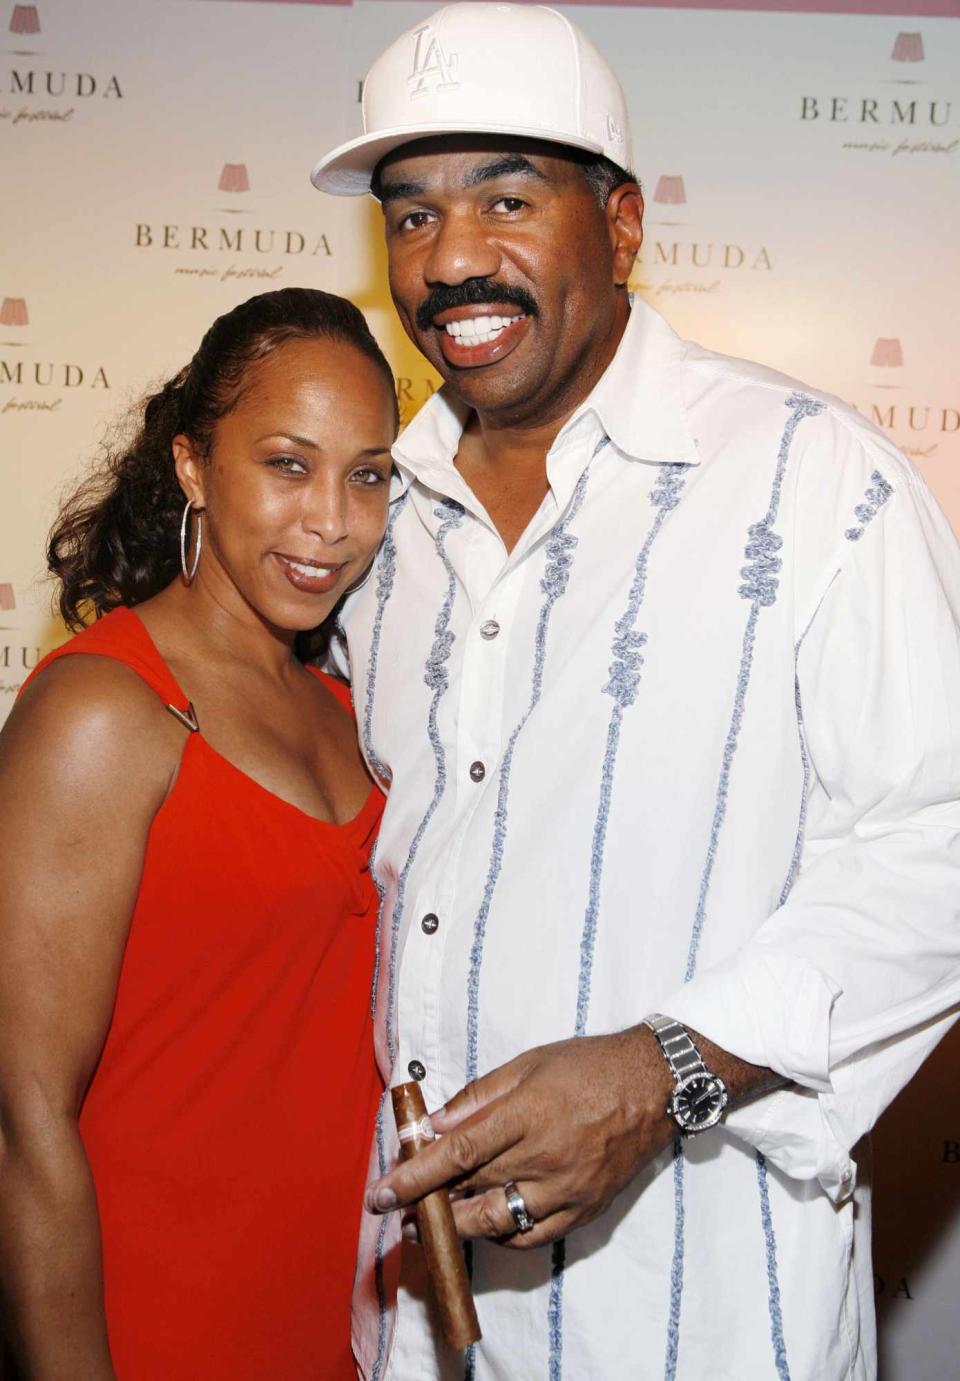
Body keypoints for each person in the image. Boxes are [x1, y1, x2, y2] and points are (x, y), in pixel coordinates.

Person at [311, 5, 960, 1379]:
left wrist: (665, 1070)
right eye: (411, 216)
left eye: (506, 197)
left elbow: (941, 847)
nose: (453, 259)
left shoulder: (812, 481)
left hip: (708, 1315)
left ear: (619, 226)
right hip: (419, 1324)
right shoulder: (373, 519)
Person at [0, 288, 398, 1380]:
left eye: (368, 474)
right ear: (191, 467)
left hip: (341, 1332)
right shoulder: (101, 712)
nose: (332, 519)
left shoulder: (355, 710)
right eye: (287, 463)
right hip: (156, 1329)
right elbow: (22, 1119)